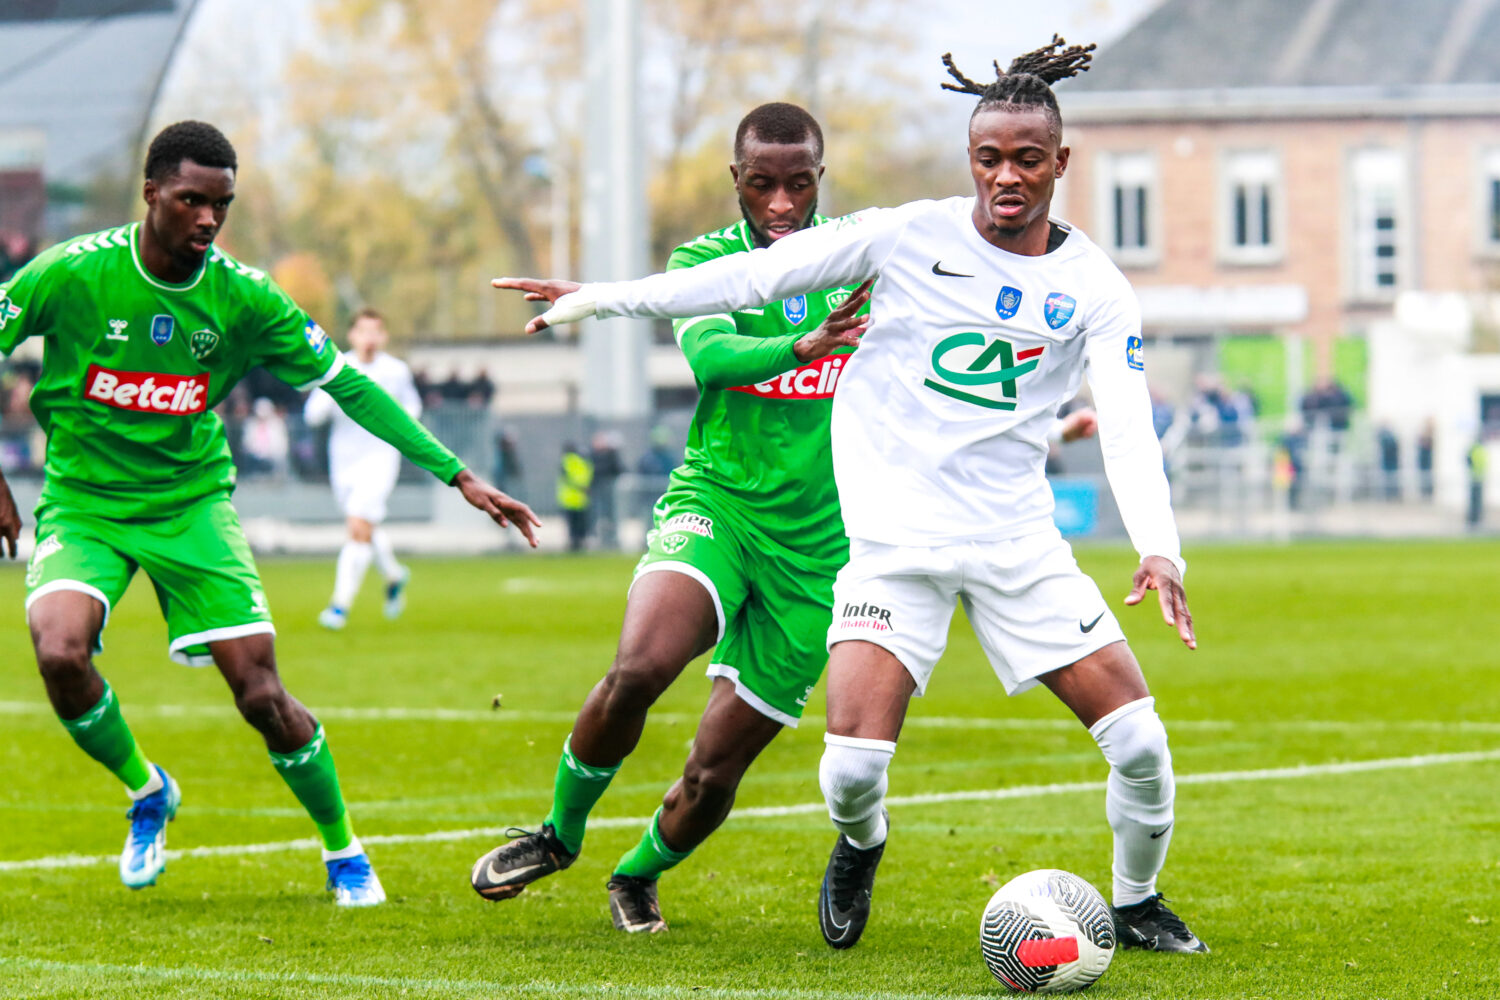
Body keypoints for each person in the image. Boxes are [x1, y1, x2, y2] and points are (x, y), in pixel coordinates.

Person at [492, 38, 1208, 953]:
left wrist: (1160, 545)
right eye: (989, 158)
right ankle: (861, 841)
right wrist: (602, 298)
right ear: (971, 160)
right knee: (851, 772)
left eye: (1028, 159)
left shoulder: (1096, 289)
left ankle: (1138, 902)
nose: (1006, 177)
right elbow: (749, 277)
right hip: (891, 547)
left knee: (1142, 742)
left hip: (1016, 545)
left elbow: (1130, 420)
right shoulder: (908, 234)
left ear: (1060, 162)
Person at [0, 121, 539, 906]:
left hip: (191, 505)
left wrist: (458, 475)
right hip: (85, 505)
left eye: (222, 204)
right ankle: (146, 789)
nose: (208, 220)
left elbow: (350, 385)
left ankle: (342, 847)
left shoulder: (245, 298)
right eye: (191, 201)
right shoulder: (72, 274)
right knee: (57, 653)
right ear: (151, 195)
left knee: (259, 692)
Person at [471, 102, 871, 934]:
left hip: (821, 552)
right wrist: (803, 348)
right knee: (638, 669)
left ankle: (637, 874)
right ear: (736, 179)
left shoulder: (860, 261)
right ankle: (558, 834)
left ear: (820, 180)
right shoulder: (706, 262)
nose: (782, 205)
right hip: (717, 503)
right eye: (762, 184)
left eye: (799, 184)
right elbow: (714, 357)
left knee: (712, 774)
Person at [304, 308, 423, 629]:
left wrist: (399, 423)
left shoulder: (396, 371)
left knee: (357, 528)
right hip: (343, 461)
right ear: (352, 335)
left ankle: (339, 607)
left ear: (383, 337)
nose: (369, 338)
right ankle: (395, 576)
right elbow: (312, 415)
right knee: (365, 528)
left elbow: (413, 408)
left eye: (376, 332)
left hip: (380, 459)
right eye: (363, 331)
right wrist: (333, 396)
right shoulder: (336, 365)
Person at [557, 441, 593, 552]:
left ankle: (574, 543)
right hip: (582, 498)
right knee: (581, 524)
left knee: (572, 525)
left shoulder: (565, 461)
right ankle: (581, 543)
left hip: (568, 499)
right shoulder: (583, 462)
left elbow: (566, 478)